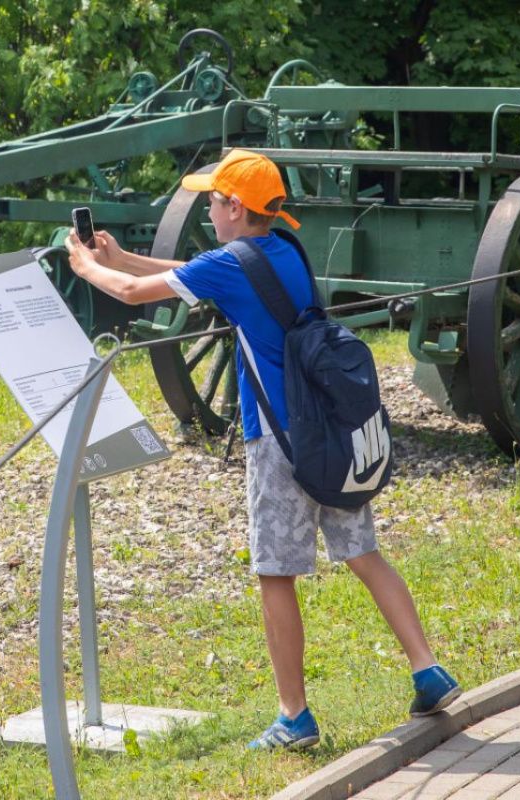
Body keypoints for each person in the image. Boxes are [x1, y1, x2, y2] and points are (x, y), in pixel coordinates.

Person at [64, 149, 460, 750]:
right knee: (363, 552)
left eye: (212, 201)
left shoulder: (232, 265)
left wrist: (87, 266)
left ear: (233, 207)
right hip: (326, 431)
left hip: (277, 440)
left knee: (275, 573)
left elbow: (132, 292)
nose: (208, 210)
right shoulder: (283, 252)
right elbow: (200, 271)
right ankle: (428, 669)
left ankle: (294, 717)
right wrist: (121, 255)